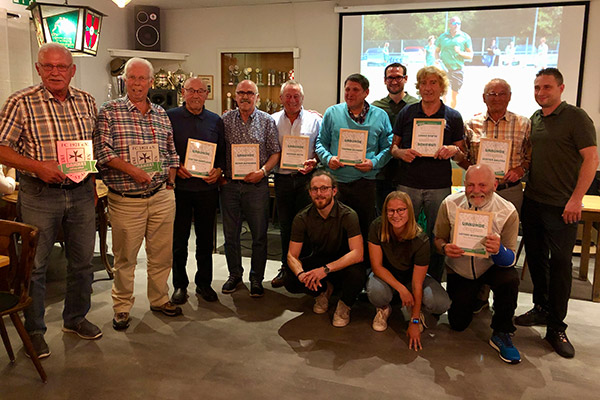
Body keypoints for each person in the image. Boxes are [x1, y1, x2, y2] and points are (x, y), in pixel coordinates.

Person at [0, 43, 102, 358]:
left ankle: (75, 318)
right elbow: (1, 148)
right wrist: (37, 167)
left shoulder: (87, 101)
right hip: (40, 195)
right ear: (38, 68)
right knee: (37, 265)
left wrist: (94, 186)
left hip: (82, 192)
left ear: (72, 70)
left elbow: (94, 146)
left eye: (62, 67)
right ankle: (35, 330)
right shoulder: (20, 102)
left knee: (83, 262)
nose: (55, 72)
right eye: (49, 66)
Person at [515, 68, 598, 358]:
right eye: (537, 87)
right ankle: (540, 307)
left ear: (561, 88)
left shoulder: (576, 117)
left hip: (564, 206)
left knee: (562, 265)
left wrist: (577, 200)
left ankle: (556, 327)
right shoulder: (536, 119)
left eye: (546, 87)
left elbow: (591, 159)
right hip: (534, 202)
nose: (540, 92)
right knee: (536, 260)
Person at [94, 57, 181, 331]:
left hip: (161, 196)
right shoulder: (109, 111)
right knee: (125, 258)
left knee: (161, 255)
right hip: (126, 199)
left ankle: (159, 299)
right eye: (132, 78)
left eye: (142, 78)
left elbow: (171, 151)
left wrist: (171, 179)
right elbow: (102, 152)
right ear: (124, 81)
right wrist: (132, 171)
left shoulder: (160, 113)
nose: (137, 83)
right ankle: (121, 307)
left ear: (151, 82)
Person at [434, 164, 521, 364]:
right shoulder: (449, 203)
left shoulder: (507, 211)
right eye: (471, 184)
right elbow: (438, 239)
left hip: (491, 267)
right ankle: (478, 298)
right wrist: (445, 248)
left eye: (483, 185)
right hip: (461, 270)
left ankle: (502, 332)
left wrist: (498, 250)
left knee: (509, 279)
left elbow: (510, 259)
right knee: (457, 323)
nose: (476, 190)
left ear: (495, 185)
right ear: (464, 184)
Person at [390, 66, 465, 282]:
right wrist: (401, 152)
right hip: (408, 184)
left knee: (437, 235)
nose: (428, 88)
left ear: (441, 87)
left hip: (439, 185)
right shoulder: (407, 113)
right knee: (403, 231)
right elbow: (393, 149)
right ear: (418, 87)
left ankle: (432, 281)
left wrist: (454, 150)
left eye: (433, 83)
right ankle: (403, 278)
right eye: (423, 83)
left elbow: (461, 154)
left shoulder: (453, 116)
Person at [315, 73, 392, 251]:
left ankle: (361, 271)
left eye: (355, 90)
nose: (350, 93)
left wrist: (373, 163)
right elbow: (320, 142)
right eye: (347, 89)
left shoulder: (380, 116)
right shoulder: (332, 113)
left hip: (365, 183)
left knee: (364, 229)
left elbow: (389, 148)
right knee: (335, 230)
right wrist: (328, 159)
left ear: (366, 92)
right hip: (336, 183)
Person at [366, 191, 450, 351]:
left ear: (409, 211)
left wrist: (414, 321)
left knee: (441, 302)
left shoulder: (421, 239)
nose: (395, 215)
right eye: (391, 210)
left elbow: (417, 283)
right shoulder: (377, 227)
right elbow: (377, 267)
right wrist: (401, 289)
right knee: (376, 293)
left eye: (401, 210)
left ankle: (417, 311)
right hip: (386, 276)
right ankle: (384, 308)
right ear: (385, 212)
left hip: (412, 279)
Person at [167, 77, 225, 304]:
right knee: (179, 239)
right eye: (191, 90)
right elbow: (164, 148)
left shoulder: (215, 120)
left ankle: (204, 284)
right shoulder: (170, 117)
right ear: (183, 92)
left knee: (205, 240)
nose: (196, 95)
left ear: (207, 94)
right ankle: (180, 285)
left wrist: (219, 169)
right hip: (179, 188)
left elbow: (221, 153)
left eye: (201, 91)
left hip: (206, 190)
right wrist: (175, 166)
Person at [221, 80, 281, 297]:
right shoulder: (225, 120)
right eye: (241, 93)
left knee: (259, 235)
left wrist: (263, 172)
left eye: (250, 93)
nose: (245, 97)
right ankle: (234, 274)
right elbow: (217, 150)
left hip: (257, 186)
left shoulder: (266, 121)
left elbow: (275, 152)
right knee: (231, 235)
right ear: (235, 96)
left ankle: (256, 278)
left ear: (257, 96)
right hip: (230, 186)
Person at [285, 170, 365, 327]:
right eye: (314, 189)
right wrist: (301, 275)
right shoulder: (302, 217)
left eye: (324, 188)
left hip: (344, 264)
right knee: (290, 279)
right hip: (321, 259)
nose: (319, 193)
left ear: (334, 191)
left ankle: (344, 304)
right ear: (309, 193)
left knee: (358, 274)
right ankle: (324, 291)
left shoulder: (349, 215)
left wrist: (325, 270)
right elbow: (291, 255)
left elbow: (358, 254)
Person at [269, 81, 321, 288]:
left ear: (302, 98)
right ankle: (286, 268)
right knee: (286, 227)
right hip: (282, 180)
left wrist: (315, 161)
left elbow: (321, 146)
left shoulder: (315, 120)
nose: (292, 100)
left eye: (296, 96)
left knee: (308, 226)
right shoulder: (271, 121)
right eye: (288, 96)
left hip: (306, 181)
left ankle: (306, 270)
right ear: (281, 98)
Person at [463, 79, 531, 214]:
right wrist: (474, 171)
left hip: (509, 190)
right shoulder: (471, 124)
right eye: (492, 94)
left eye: (502, 94)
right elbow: (464, 157)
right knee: (477, 231)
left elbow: (530, 156)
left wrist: (521, 169)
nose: (497, 98)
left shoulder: (524, 124)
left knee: (508, 232)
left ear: (509, 96)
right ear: (484, 97)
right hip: (478, 192)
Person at [372, 63, 419, 213]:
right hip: (383, 171)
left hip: (410, 171)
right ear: (385, 80)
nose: (394, 81)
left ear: (405, 79)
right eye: (390, 78)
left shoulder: (417, 105)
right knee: (383, 214)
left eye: (398, 77)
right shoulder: (376, 107)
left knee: (407, 215)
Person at [435, 16, 473, 108]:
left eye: (458, 23)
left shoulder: (465, 37)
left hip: (457, 69)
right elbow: (436, 51)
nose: (456, 25)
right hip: (443, 69)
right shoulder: (443, 37)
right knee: (444, 93)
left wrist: (460, 52)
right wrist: (437, 60)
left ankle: (452, 113)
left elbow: (470, 55)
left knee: (454, 95)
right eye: (454, 23)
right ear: (449, 25)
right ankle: (443, 110)